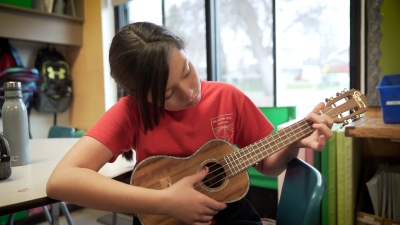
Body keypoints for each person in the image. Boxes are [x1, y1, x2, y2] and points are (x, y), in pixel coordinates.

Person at [46, 21, 334, 225]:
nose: (190, 92)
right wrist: (166, 202)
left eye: (186, 71)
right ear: (139, 96)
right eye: (168, 93)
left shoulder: (227, 97)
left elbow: (268, 166)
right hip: (161, 216)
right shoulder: (131, 112)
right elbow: (62, 181)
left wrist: (293, 142)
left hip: (229, 210)